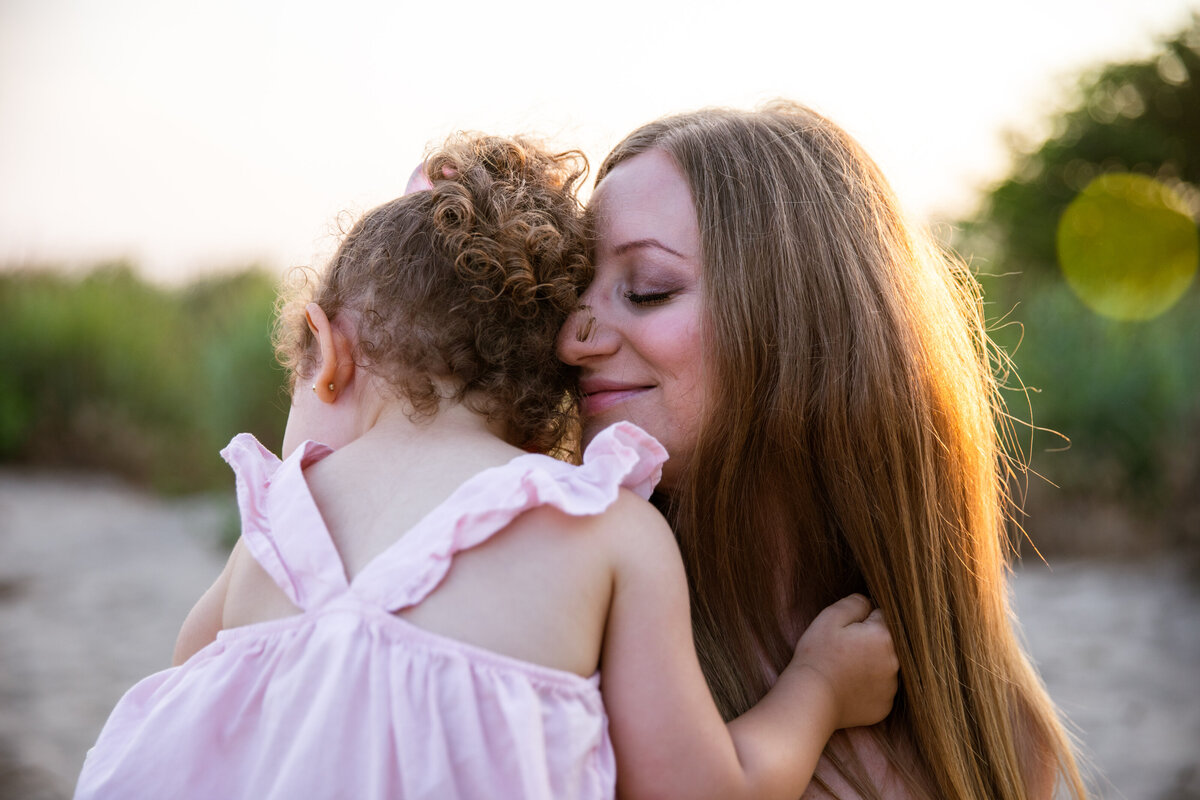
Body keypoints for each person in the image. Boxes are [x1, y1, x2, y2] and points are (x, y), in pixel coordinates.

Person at [74, 133, 898, 800]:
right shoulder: (605, 528)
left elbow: (184, 709)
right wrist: (818, 690)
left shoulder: (276, 528)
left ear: (326, 354)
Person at [557, 102, 1089, 800]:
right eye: (569, 293)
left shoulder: (994, 728)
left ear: (798, 323)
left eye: (647, 290)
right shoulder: (558, 629)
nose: (572, 339)